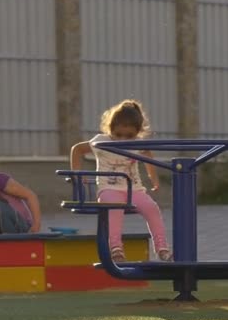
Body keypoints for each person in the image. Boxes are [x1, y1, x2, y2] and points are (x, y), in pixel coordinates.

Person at [70, 99, 172, 262]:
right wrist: (76, 174)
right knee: (114, 209)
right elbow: (77, 149)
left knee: (152, 208)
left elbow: (147, 155)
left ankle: (162, 248)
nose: (122, 140)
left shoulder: (138, 144)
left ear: (137, 133)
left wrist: (153, 178)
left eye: (129, 136)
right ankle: (116, 248)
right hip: (109, 189)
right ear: (110, 129)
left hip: (134, 190)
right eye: (118, 135)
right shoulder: (101, 141)